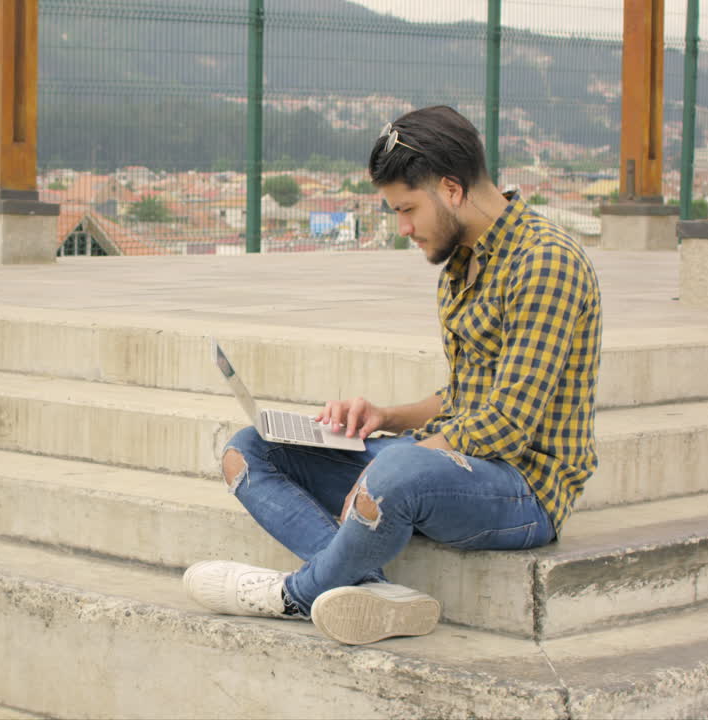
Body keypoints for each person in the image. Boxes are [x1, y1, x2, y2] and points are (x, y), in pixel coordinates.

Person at [183, 105, 602, 645]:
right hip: (452, 466)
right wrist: (386, 417)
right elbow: (466, 393)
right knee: (251, 449)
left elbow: (509, 421)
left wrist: (405, 456)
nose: (404, 228)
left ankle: (295, 594)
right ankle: (373, 590)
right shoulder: (462, 261)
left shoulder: (545, 262)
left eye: (407, 209)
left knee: (398, 470)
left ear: (451, 189)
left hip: (523, 491)